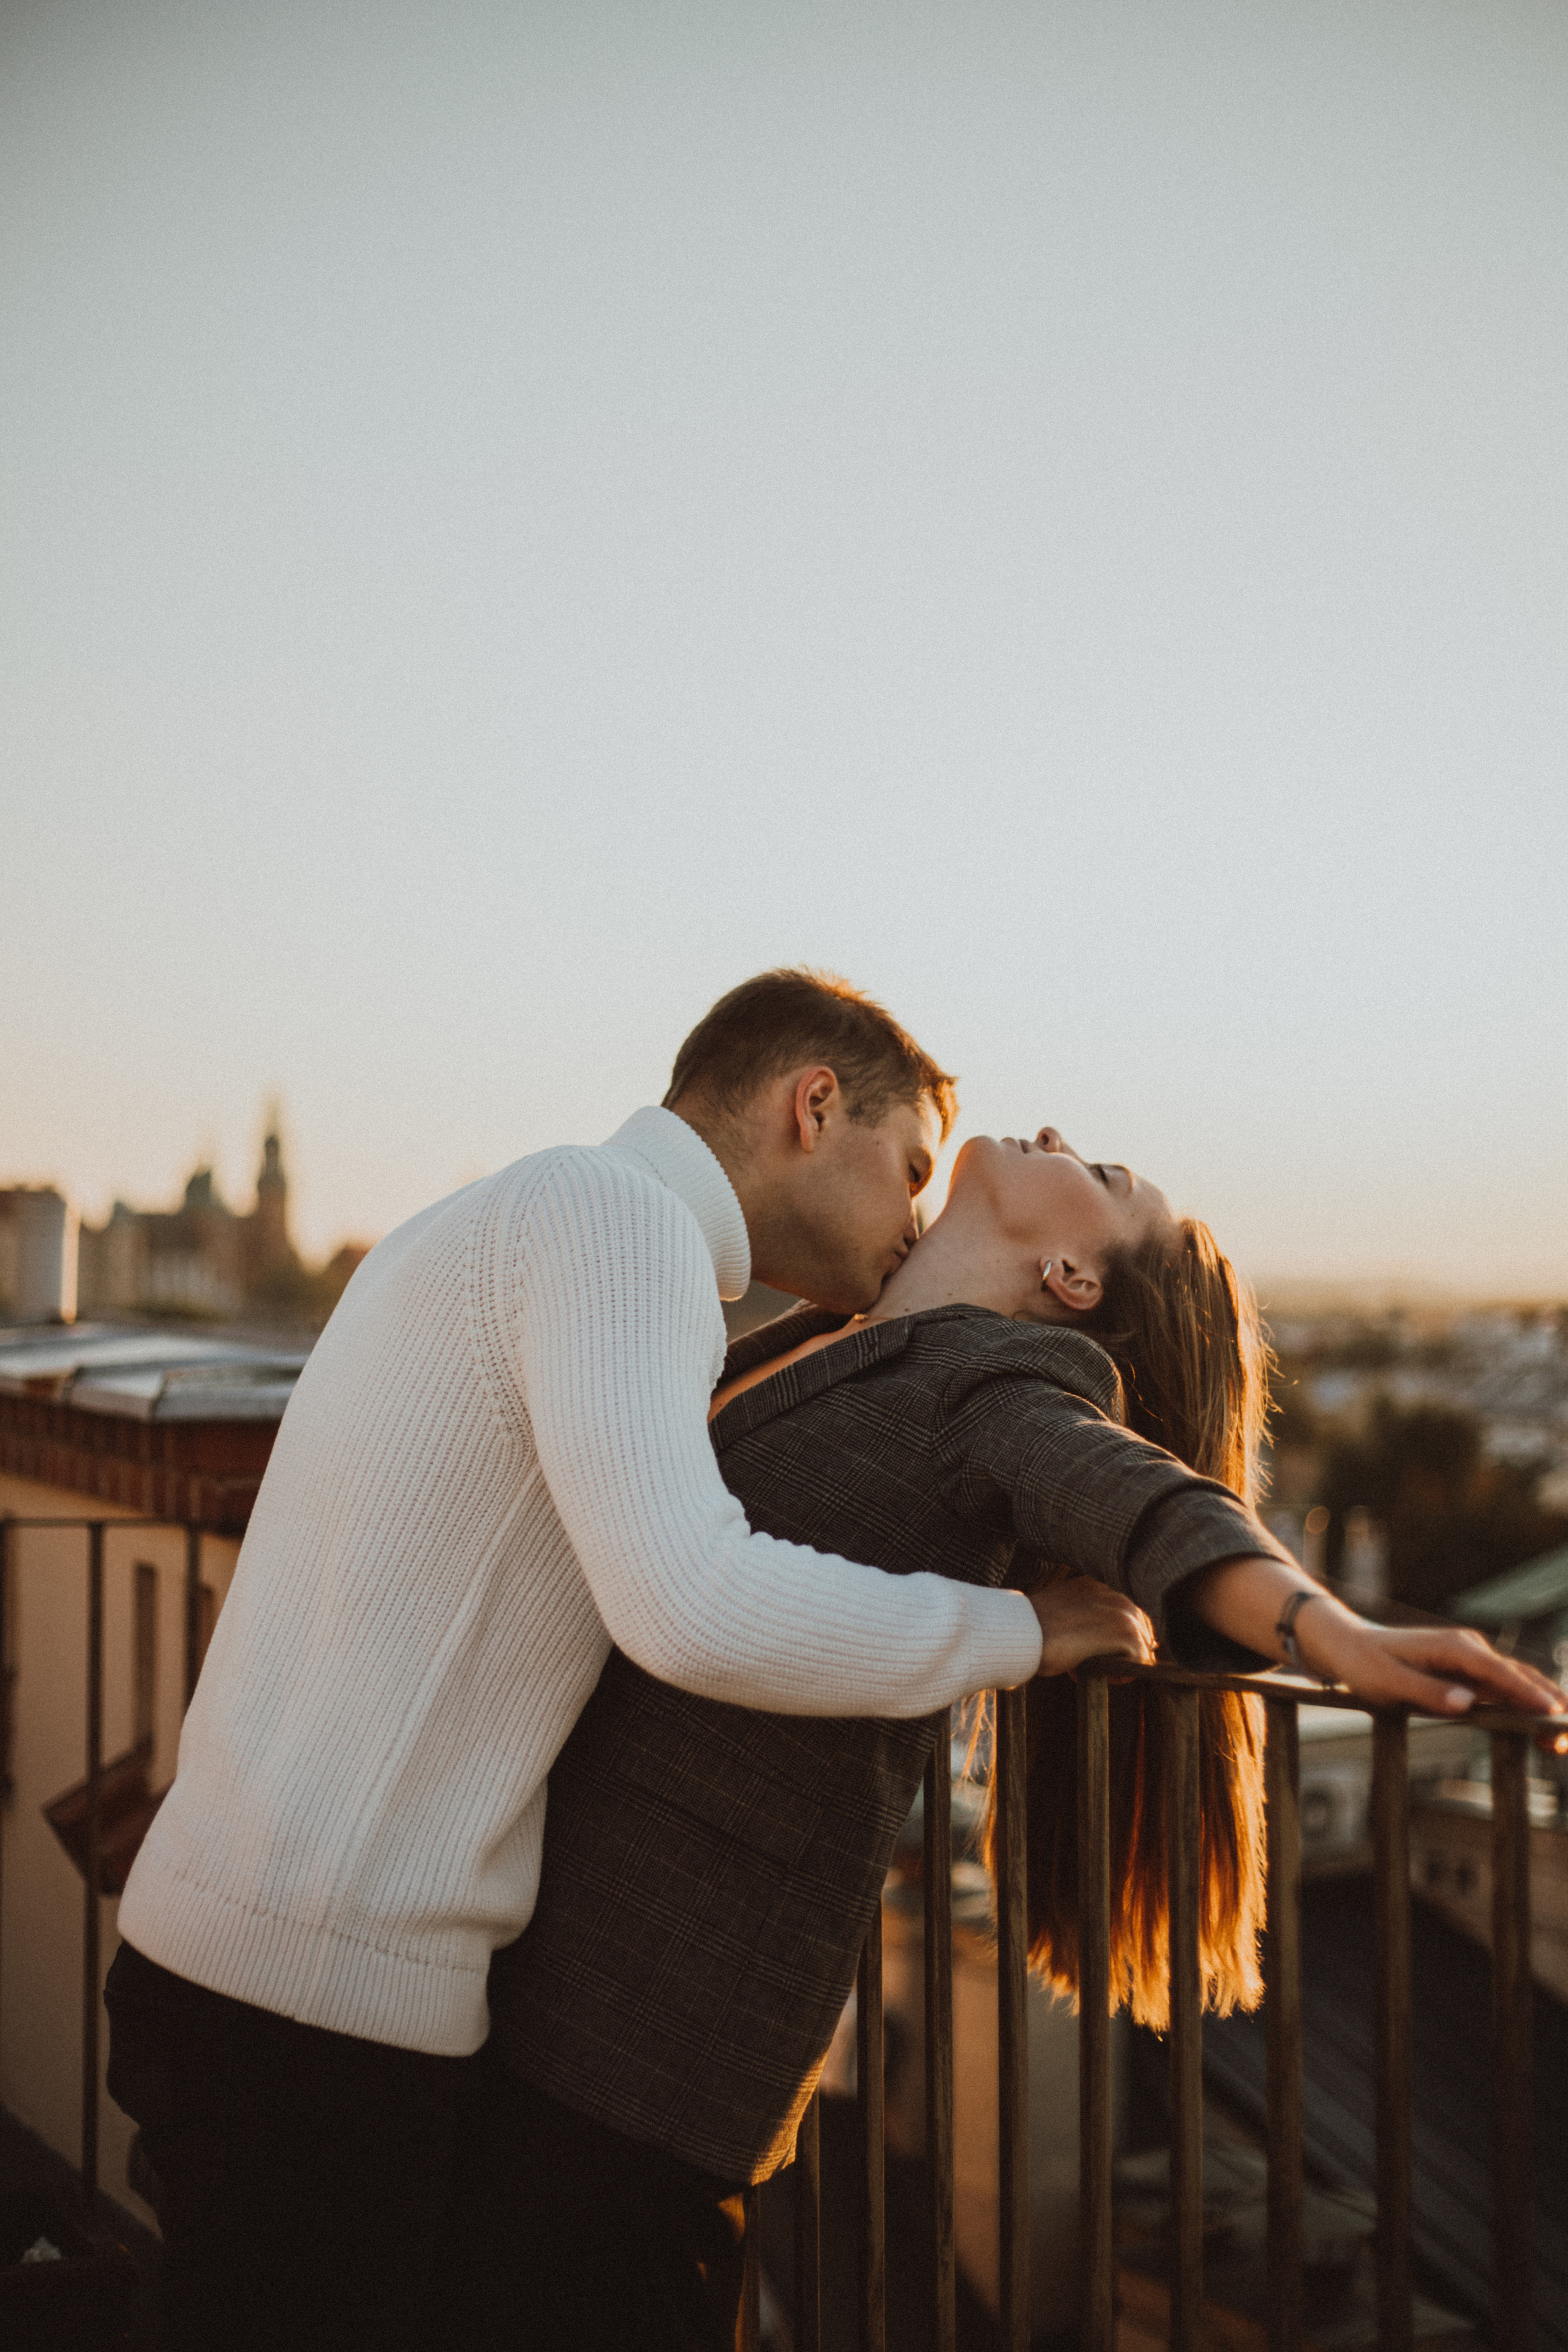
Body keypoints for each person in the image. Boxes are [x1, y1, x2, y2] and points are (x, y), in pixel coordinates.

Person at [461, 1123, 1564, 2351]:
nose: (1055, 1137)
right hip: (545, 1964)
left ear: (1072, 1280)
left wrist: (1325, 1631)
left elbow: (1140, 1496)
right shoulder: (839, 1325)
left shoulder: (1006, 1383)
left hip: (660, 2026)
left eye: (1101, 1175)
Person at [105, 970, 1062, 2352]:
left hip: (244, 1960)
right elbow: (692, 1604)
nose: (917, 1219)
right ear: (812, 1107)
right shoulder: (623, 1224)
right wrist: (1022, 1633)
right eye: (912, 1169)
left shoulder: (515, 1210)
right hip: (318, 2007)